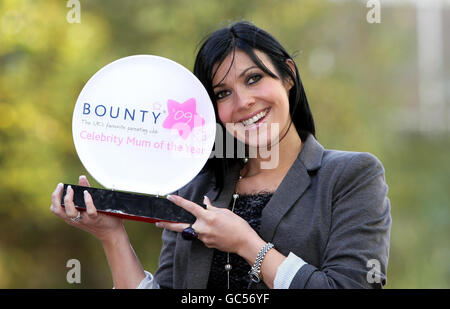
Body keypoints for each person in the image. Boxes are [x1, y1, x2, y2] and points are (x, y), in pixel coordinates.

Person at [50, 21, 391, 289]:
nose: (243, 103)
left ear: (288, 75)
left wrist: (247, 244)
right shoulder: (196, 189)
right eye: (223, 93)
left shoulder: (351, 175)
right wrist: (112, 236)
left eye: (254, 79)